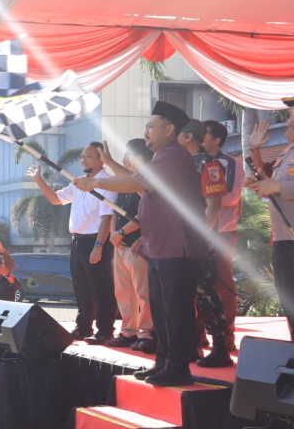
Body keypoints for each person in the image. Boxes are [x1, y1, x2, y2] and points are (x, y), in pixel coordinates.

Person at [74, 101, 208, 386]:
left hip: (178, 246)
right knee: (160, 309)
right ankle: (163, 361)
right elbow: (136, 180)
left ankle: (178, 367)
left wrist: (96, 183)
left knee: (175, 308)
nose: (146, 132)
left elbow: (136, 183)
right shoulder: (163, 157)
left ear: (170, 129)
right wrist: (108, 165)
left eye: (151, 126)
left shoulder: (173, 155)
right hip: (160, 245)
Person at [28, 143, 119, 343]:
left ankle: (105, 330)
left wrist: (98, 246)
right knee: (81, 287)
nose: (83, 160)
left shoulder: (107, 182)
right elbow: (55, 199)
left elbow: (106, 218)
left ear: (100, 158)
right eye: (82, 156)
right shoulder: (77, 183)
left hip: (95, 240)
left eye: (88, 156)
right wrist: (38, 179)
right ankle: (83, 326)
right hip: (77, 241)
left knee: (101, 287)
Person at [100, 139, 155, 351]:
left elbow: (144, 215)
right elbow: (115, 209)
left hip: (137, 244)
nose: (124, 160)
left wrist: (122, 232)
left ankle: (146, 333)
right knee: (123, 291)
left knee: (143, 292)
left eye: (127, 156)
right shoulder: (125, 182)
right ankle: (128, 331)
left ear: (139, 158)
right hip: (120, 244)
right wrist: (114, 234)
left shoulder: (144, 181)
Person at [246, 102, 294, 340]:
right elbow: (269, 180)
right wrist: (260, 183)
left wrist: (275, 185)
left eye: (291, 121)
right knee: (288, 299)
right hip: (284, 237)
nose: (286, 127)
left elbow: (277, 185)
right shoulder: (287, 153)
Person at [199, 119, 243, 367]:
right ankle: (200, 337)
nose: (200, 138)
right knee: (199, 287)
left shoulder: (229, 162)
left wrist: (206, 196)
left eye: (204, 135)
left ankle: (226, 338)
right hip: (197, 232)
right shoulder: (195, 161)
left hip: (222, 231)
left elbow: (233, 195)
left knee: (221, 284)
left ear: (216, 139)